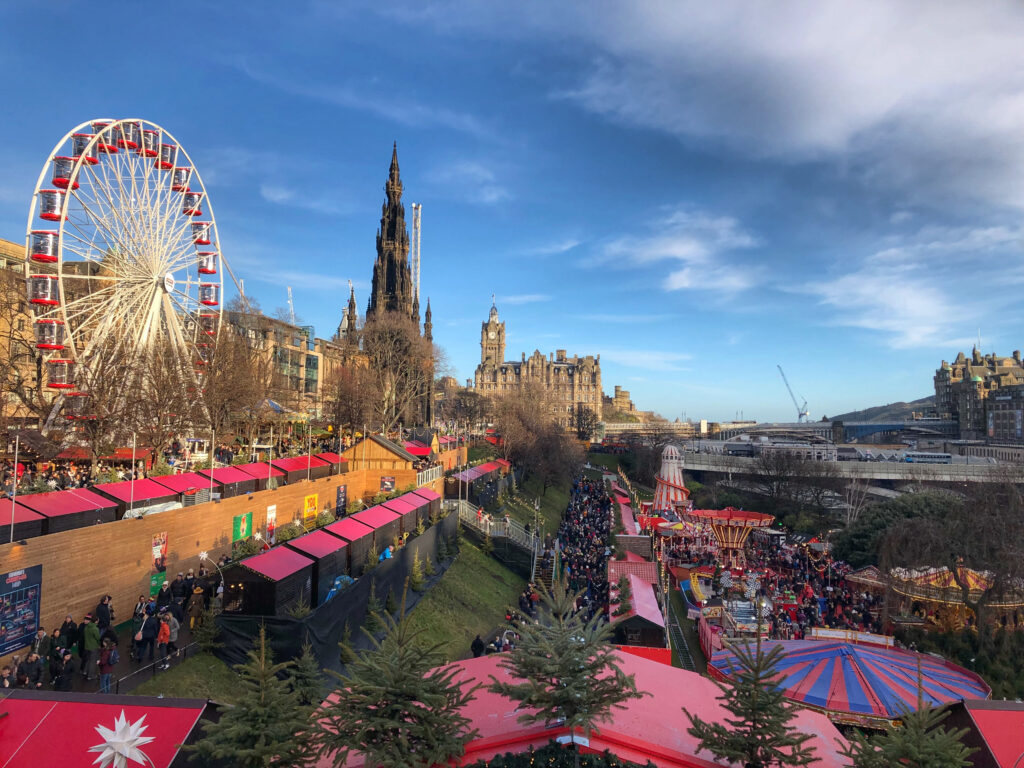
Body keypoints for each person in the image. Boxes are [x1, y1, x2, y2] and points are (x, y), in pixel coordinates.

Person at [81, 615, 101, 681]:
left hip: (87, 646)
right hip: (93, 647)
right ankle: (90, 675)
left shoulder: (86, 627)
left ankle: (85, 671)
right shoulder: (95, 629)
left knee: (88, 659)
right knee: (92, 661)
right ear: (96, 621)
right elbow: (98, 638)